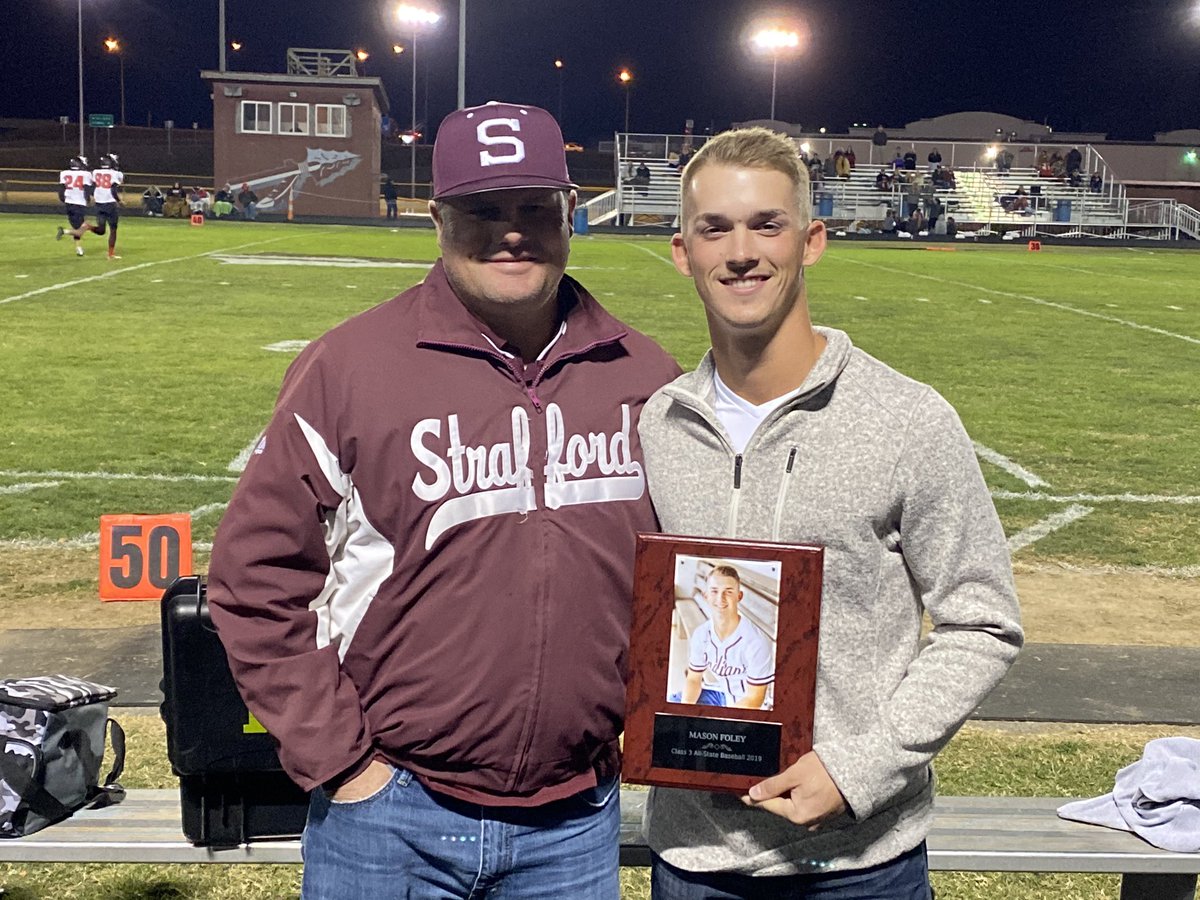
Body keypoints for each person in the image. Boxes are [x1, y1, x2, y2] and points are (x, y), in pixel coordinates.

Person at [205, 101, 681, 900]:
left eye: (535, 207)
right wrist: (341, 762)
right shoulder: (348, 367)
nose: (512, 232)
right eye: (483, 210)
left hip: (574, 820)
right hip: (390, 813)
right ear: (437, 218)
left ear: (570, 211)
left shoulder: (643, 374)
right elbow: (254, 577)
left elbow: (691, 574)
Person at [637, 126, 1022, 899]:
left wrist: (857, 769)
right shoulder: (660, 422)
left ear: (811, 240)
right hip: (695, 860)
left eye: (766, 224)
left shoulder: (907, 419)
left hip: (857, 866)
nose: (740, 252)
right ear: (682, 252)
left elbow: (983, 622)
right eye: (715, 229)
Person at [679, 565, 773, 709]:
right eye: (714, 591)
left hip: (747, 705)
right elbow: (693, 679)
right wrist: (684, 712)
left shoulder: (756, 642)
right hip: (720, 693)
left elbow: (754, 699)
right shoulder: (701, 634)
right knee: (674, 702)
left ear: (739, 596)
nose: (720, 598)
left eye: (728, 592)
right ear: (706, 595)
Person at [61, 153, 123, 260]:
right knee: (113, 229)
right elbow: (113, 189)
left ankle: (87, 227)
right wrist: (119, 201)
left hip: (99, 204)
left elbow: (92, 187)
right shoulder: (116, 174)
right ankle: (111, 254)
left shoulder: (95, 172)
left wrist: (94, 196)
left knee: (101, 230)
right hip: (110, 204)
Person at [54, 155, 92, 257]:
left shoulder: (64, 173)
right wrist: (88, 200)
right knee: (83, 227)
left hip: (69, 203)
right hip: (79, 203)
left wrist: (64, 200)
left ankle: (79, 249)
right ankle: (64, 231)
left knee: (77, 227)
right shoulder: (86, 174)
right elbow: (86, 189)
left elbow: (61, 190)